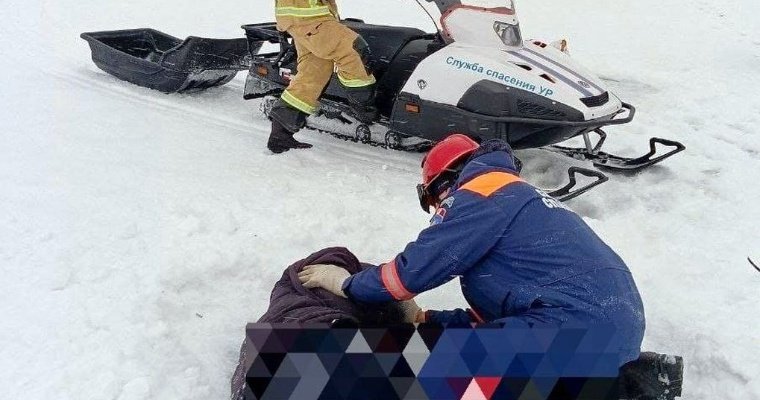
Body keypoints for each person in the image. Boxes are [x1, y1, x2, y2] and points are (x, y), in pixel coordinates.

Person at [298, 134, 647, 366]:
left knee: (400, 367)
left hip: (569, 337)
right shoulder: (521, 198)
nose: (437, 211)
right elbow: (505, 315)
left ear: (444, 184)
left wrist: (345, 284)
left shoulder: (480, 194)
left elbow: (408, 275)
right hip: (603, 336)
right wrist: (426, 320)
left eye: (433, 201)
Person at [268, 0, 378, 153]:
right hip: (307, 16)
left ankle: (280, 136)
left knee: (314, 72)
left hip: (305, 15)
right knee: (354, 50)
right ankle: (365, 109)